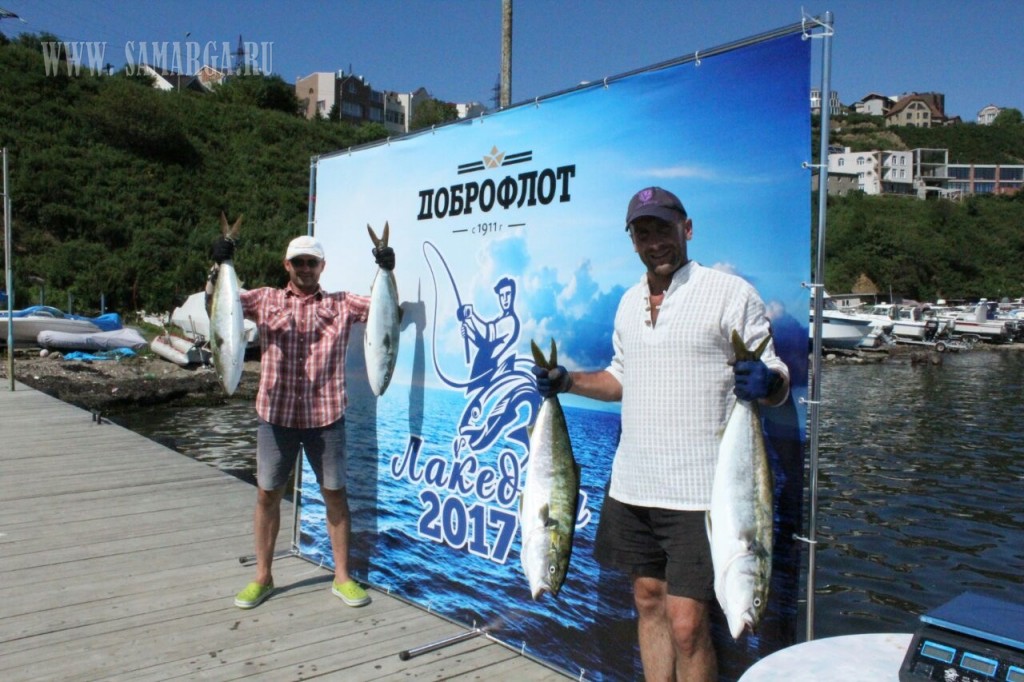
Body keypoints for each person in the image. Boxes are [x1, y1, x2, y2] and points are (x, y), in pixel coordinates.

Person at [532, 187, 789, 681]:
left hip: (702, 493)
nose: (655, 243)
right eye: (643, 233)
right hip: (633, 486)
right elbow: (619, 378)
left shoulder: (731, 293)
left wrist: (769, 382)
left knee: (688, 626)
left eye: (664, 230)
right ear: (632, 241)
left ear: (686, 229)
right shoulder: (628, 302)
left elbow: (776, 372)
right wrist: (568, 381)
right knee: (648, 601)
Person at [209, 231, 395, 610]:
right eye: (298, 262)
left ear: (322, 266)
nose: (305, 268)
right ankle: (263, 576)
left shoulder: (343, 303)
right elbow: (218, 304)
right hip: (276, 417)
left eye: (312, 262)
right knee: (267, 495)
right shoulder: (264, 299)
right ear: (287, 265)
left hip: (326, 418)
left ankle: (342, 577)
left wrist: (388, 269)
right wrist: (218, 266)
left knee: (335, 495)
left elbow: (387, 312)